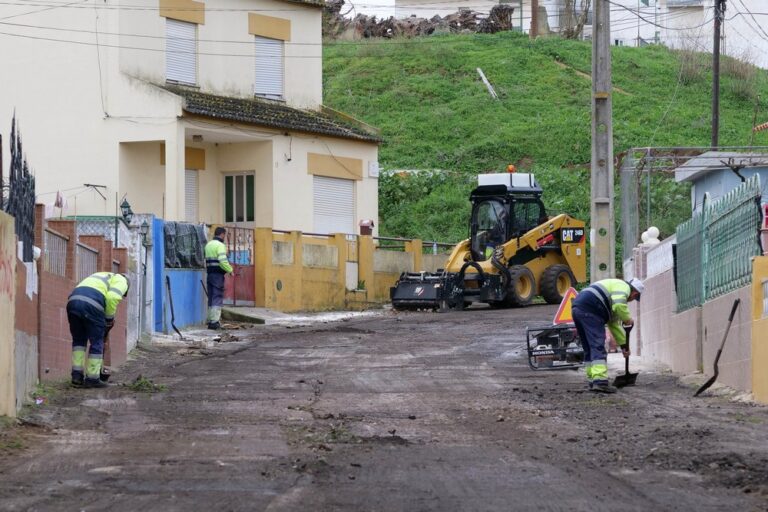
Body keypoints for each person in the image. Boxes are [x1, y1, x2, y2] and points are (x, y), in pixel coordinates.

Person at [571, 277, 644, 393]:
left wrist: (625, 346)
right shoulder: (623, 286)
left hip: (578, 308)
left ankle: (593, 380)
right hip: (592, 308)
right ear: (635, 293)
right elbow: (620, 306)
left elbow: (614, 325)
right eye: (635, 297)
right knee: (597, 345)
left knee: (589, 347)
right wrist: (627, 319)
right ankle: (600, 382)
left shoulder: (612, 297)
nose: (631, 299)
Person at [67, 272, 130, 388]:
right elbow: (112, 297)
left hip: (73, 302)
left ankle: (76, 376)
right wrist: (108, 319)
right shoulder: (122, 280)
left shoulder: (101, 276)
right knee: (97, 342)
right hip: (92, 304)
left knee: (79, 342)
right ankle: (92, 378)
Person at [205, 227, 233, 330]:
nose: (224, 237)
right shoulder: (220, 245)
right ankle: (214, 321)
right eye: (224, 235)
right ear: (222, 234)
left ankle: (210, 320)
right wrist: (230, 270)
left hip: (210, 274)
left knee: (211, 297)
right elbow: (222, 261)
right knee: (217, 296)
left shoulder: (208, 245)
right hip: (217, 275)